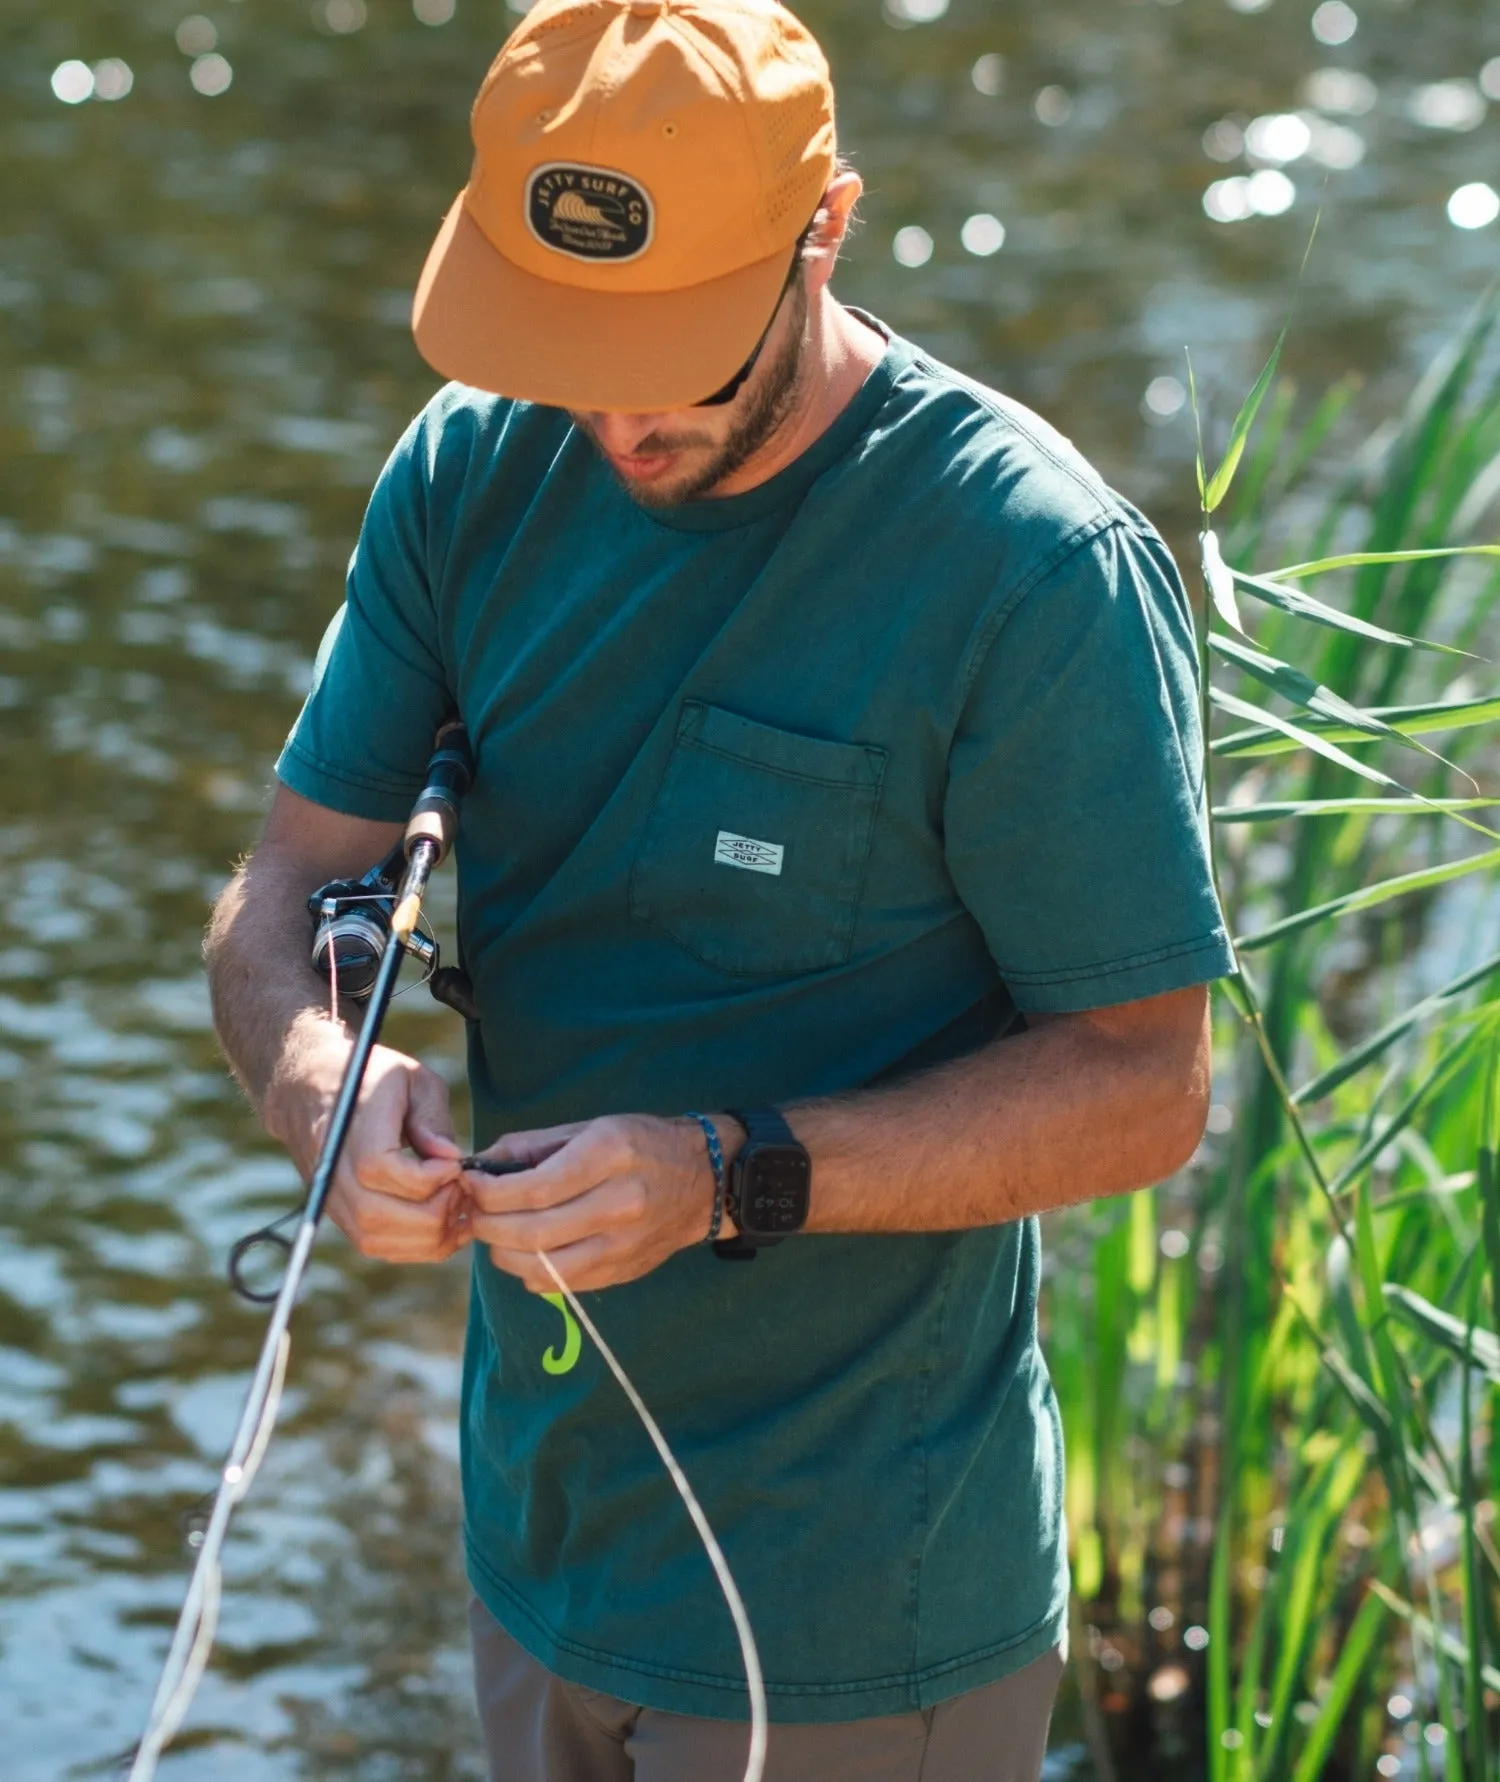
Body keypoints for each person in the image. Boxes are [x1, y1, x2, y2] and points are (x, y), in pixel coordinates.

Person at [205, 0, 1233, 1776]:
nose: (607, 403)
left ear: (827, 223)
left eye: (665, 341)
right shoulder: (467, 472)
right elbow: (285, 884)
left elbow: (1146, 1086)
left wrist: (726, 1173)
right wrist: (320, 1086)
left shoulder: (1035, 573)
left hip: (856, 1618)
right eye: (564, 331)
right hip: (535, 1549)